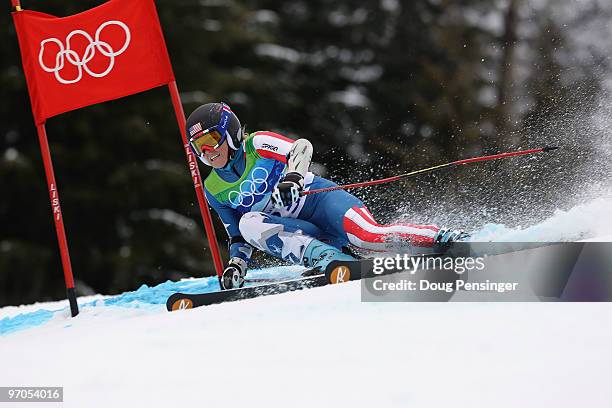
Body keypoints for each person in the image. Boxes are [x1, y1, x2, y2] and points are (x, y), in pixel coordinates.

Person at [187, 102, 468, 289]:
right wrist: (237, 265)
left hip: (320, 201)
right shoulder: (213, 189)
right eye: (198, 147)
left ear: (231, 133)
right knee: (249, 222)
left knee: (368, 238)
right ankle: (329, 258)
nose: (207, 152)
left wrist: (293, 177)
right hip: (301, 231)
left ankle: (443, 237)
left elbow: (301, 148)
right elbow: (238, 235)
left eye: (211, 141)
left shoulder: (256, 144)